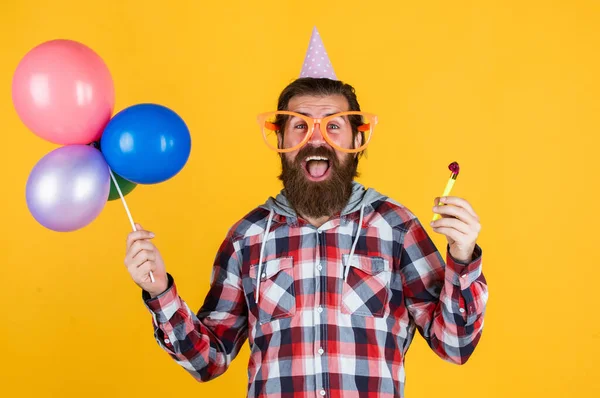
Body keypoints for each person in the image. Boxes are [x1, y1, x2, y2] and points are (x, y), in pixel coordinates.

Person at [124, 30, 487, 398]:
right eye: (300, 125)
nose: (316, 139)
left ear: (356, 141)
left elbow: (455, 346)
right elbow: (208, 361)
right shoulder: (246, 237)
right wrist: (159, 291)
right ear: (281, 141)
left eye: (332, 125)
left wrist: (462, 257)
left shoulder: (396, 228)